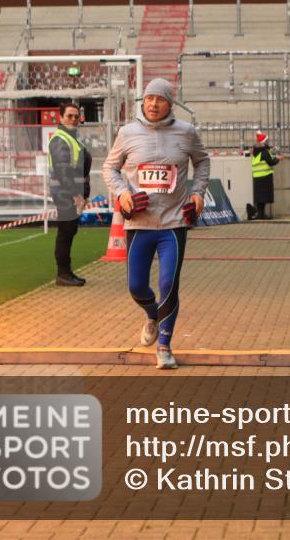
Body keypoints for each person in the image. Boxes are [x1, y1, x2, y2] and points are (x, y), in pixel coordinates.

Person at [103, 78, 210, 369]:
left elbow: (202, 161)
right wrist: (123, 193)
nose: (153, 104)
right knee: (136, 286)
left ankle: (164, 346)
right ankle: (153, 315)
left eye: (160, 99)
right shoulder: (127, 133)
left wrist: (198, 193)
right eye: (149, 98)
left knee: (168, 284)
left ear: (170, 104)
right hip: (139, 224)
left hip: (174, 223)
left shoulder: (186, 132)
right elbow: (109, 168)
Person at [49, 102, 92, 286]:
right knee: (65, 232)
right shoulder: (60, 139)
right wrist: (76, 195)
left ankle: (66, 272)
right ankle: (63, 274)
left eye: (76, 116)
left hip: (70, 192)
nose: (74, 119)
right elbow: (63, 171)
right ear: (61, 117)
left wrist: (84, 191)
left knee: (69, 231)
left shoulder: (71, 138)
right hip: (65, 193)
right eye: (69, 116)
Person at [246, 130, 283, 220]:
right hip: (265, 176)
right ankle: (260, 214)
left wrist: (271, 151)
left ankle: (261, 214)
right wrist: (278, 159)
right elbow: (271, 162)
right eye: (266, 141)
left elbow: (266, 155)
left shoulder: (256, 151)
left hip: (257, 177)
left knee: (260, 198)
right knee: (263, 197)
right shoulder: (264, 152)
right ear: (264, 142)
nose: (268, 143)